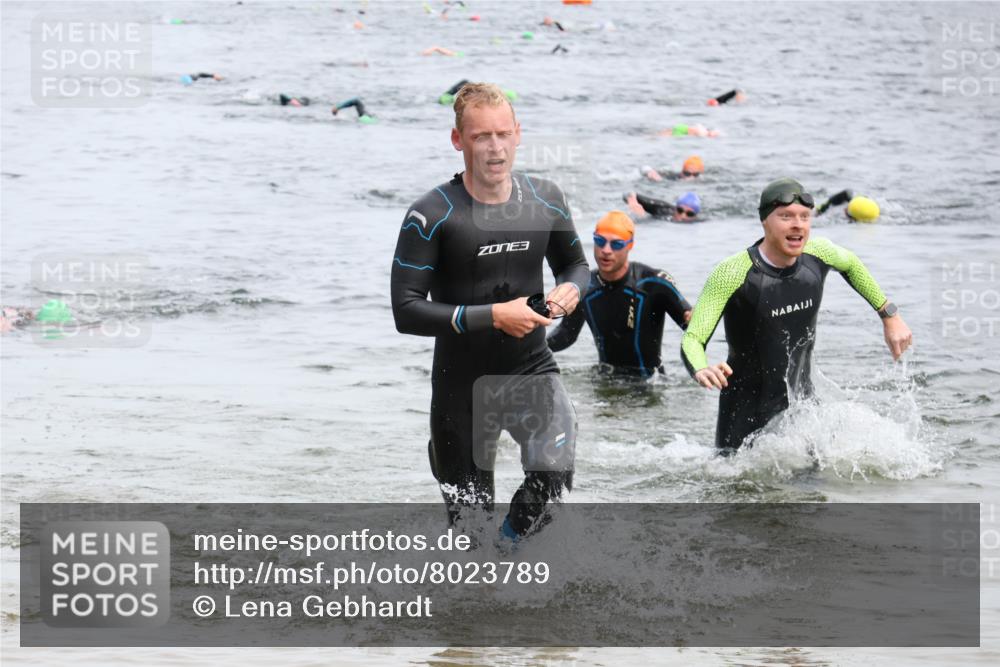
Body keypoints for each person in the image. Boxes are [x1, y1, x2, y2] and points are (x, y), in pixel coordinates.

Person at [391, 82, 589, 540]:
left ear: (518, 133)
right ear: (458, 140)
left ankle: (510, 552)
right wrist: (495, 315)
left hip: (530, 367)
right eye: (481, 136)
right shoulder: (432, 215)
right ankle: (486, 571)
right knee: (469, 533)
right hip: (460, 386)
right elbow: (406, 310)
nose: (495, 147)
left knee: (553, 474)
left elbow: (576, 266)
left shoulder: (545, 199)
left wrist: (569, 291)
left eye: (503, 134)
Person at [680, 177, 913, 452]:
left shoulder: (819, 254)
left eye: (804, 216)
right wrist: (701, 368)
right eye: (786, 216)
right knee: (735, 479)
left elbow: (851, 263)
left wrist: (889, 314)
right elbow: (693, 338)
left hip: (801, 411)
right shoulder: (732, 273)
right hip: (743, 416)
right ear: (765, 220)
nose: (798, 224)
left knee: (815, 478)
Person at [547, 211, 691, 377]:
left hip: (650, 383)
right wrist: (531, 349)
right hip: (605, 380)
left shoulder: (654, 282)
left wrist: (699, 369)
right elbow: (566, 334)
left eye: (616, 244)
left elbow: (692, 327)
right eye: (600, 241)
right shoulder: (585, 286)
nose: (606, 250)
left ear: (630, 245)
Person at [624, 191, 701, 222]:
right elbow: (628, 193)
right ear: (675, 208)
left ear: (695, 216)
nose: (683, 216)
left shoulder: (700, 222)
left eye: (690, 214)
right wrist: (632, 202)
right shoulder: (662, 209)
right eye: (680, 210)